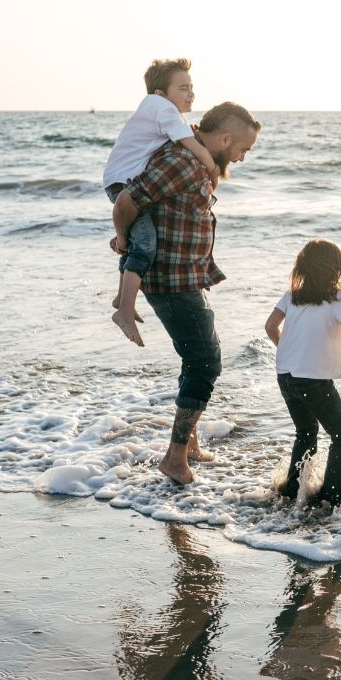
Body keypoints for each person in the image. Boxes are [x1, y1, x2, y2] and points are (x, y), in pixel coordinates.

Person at [110, 101, 262, 483]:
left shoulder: (195, 160)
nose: (242, 158)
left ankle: (188, 445)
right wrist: (125, 240)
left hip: (185, 277)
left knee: (194, 359)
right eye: (243, 149)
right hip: (172, 281)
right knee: (205, 363)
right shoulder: (183, 161)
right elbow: (128, 199)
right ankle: (175, 458)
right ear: (225, 138)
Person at [101, 59, 221, 346]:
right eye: (182, 88)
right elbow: (192, 145)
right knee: (144, 244)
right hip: (122, 183)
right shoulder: (161, 107)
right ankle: (125, 311)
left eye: (192, 88)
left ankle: (121, 297)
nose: (190, 94)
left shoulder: (158, 111)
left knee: (136, 238)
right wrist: (212, 168)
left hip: (120, 179)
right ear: (160, 93)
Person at [264, 240, 341, 506]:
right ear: (336, 268)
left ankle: (292, 489)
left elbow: (270, 326)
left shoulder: (292, 295)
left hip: (285, 373)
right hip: (313, 379)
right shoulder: (339, 297)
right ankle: (332, 497)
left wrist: (290, 349)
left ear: (303, 268)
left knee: (306, 431)